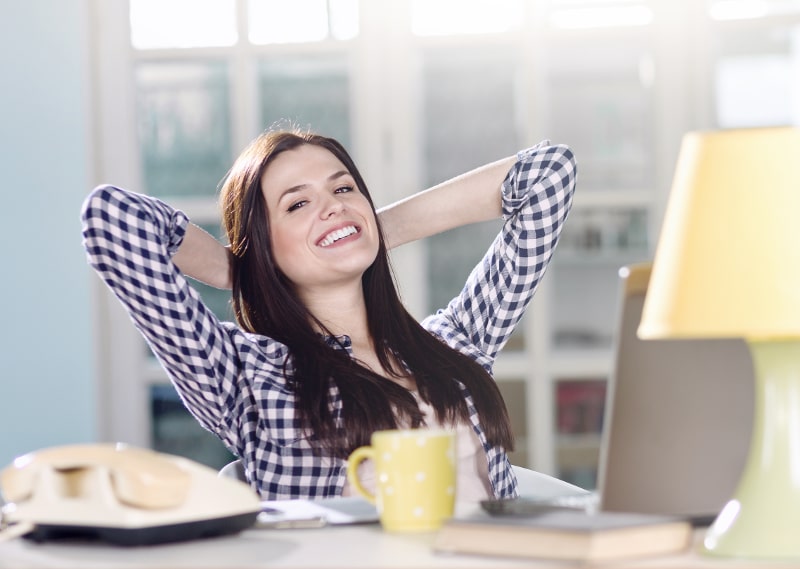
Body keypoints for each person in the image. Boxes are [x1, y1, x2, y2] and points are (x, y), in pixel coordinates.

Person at [81, 129, 576, 501]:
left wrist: (370, 232)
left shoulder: (457, 340)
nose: (332, 208)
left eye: (342, 190)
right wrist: (241, 269)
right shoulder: (248, 376)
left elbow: (548, 174)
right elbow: (112, 218)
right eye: (297, 204)